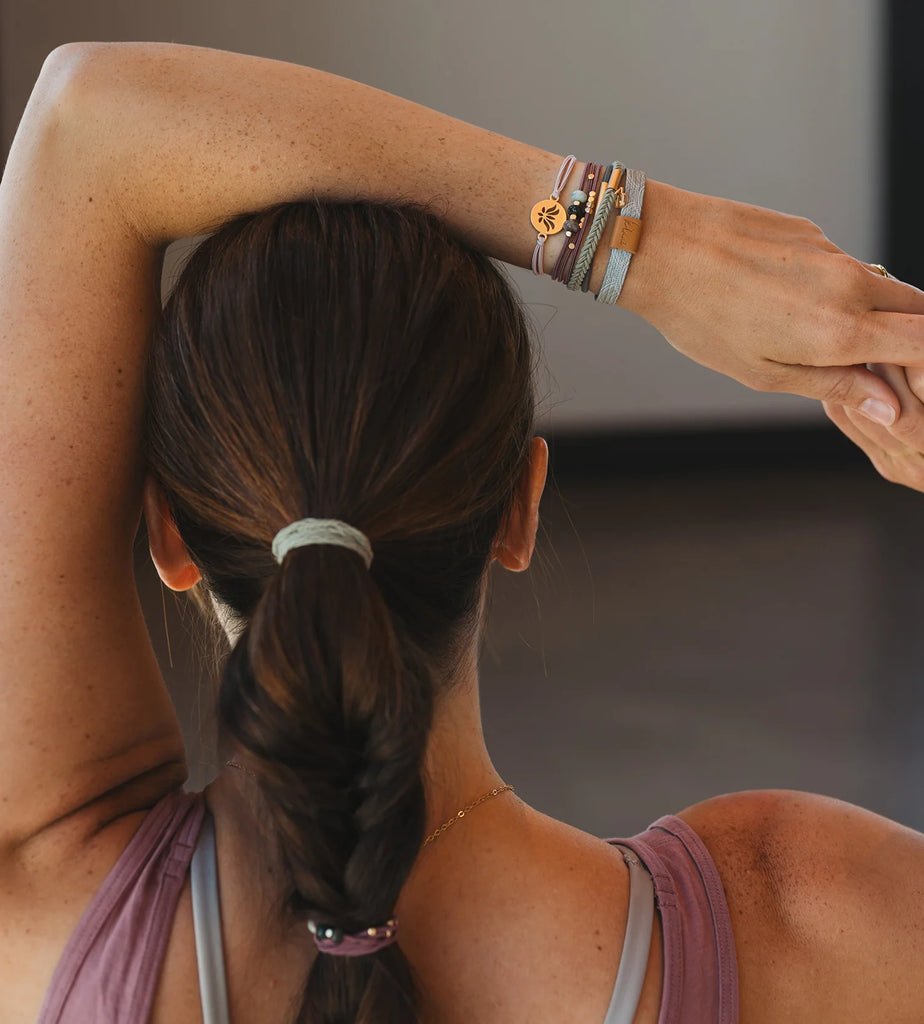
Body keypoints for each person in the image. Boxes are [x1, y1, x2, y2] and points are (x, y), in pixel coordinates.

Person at [0, 40, 922, 1024]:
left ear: (167, 532)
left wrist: (640, 245)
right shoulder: (815, 920)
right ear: (519, 507)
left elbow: (88, 121)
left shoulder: (52, 906)